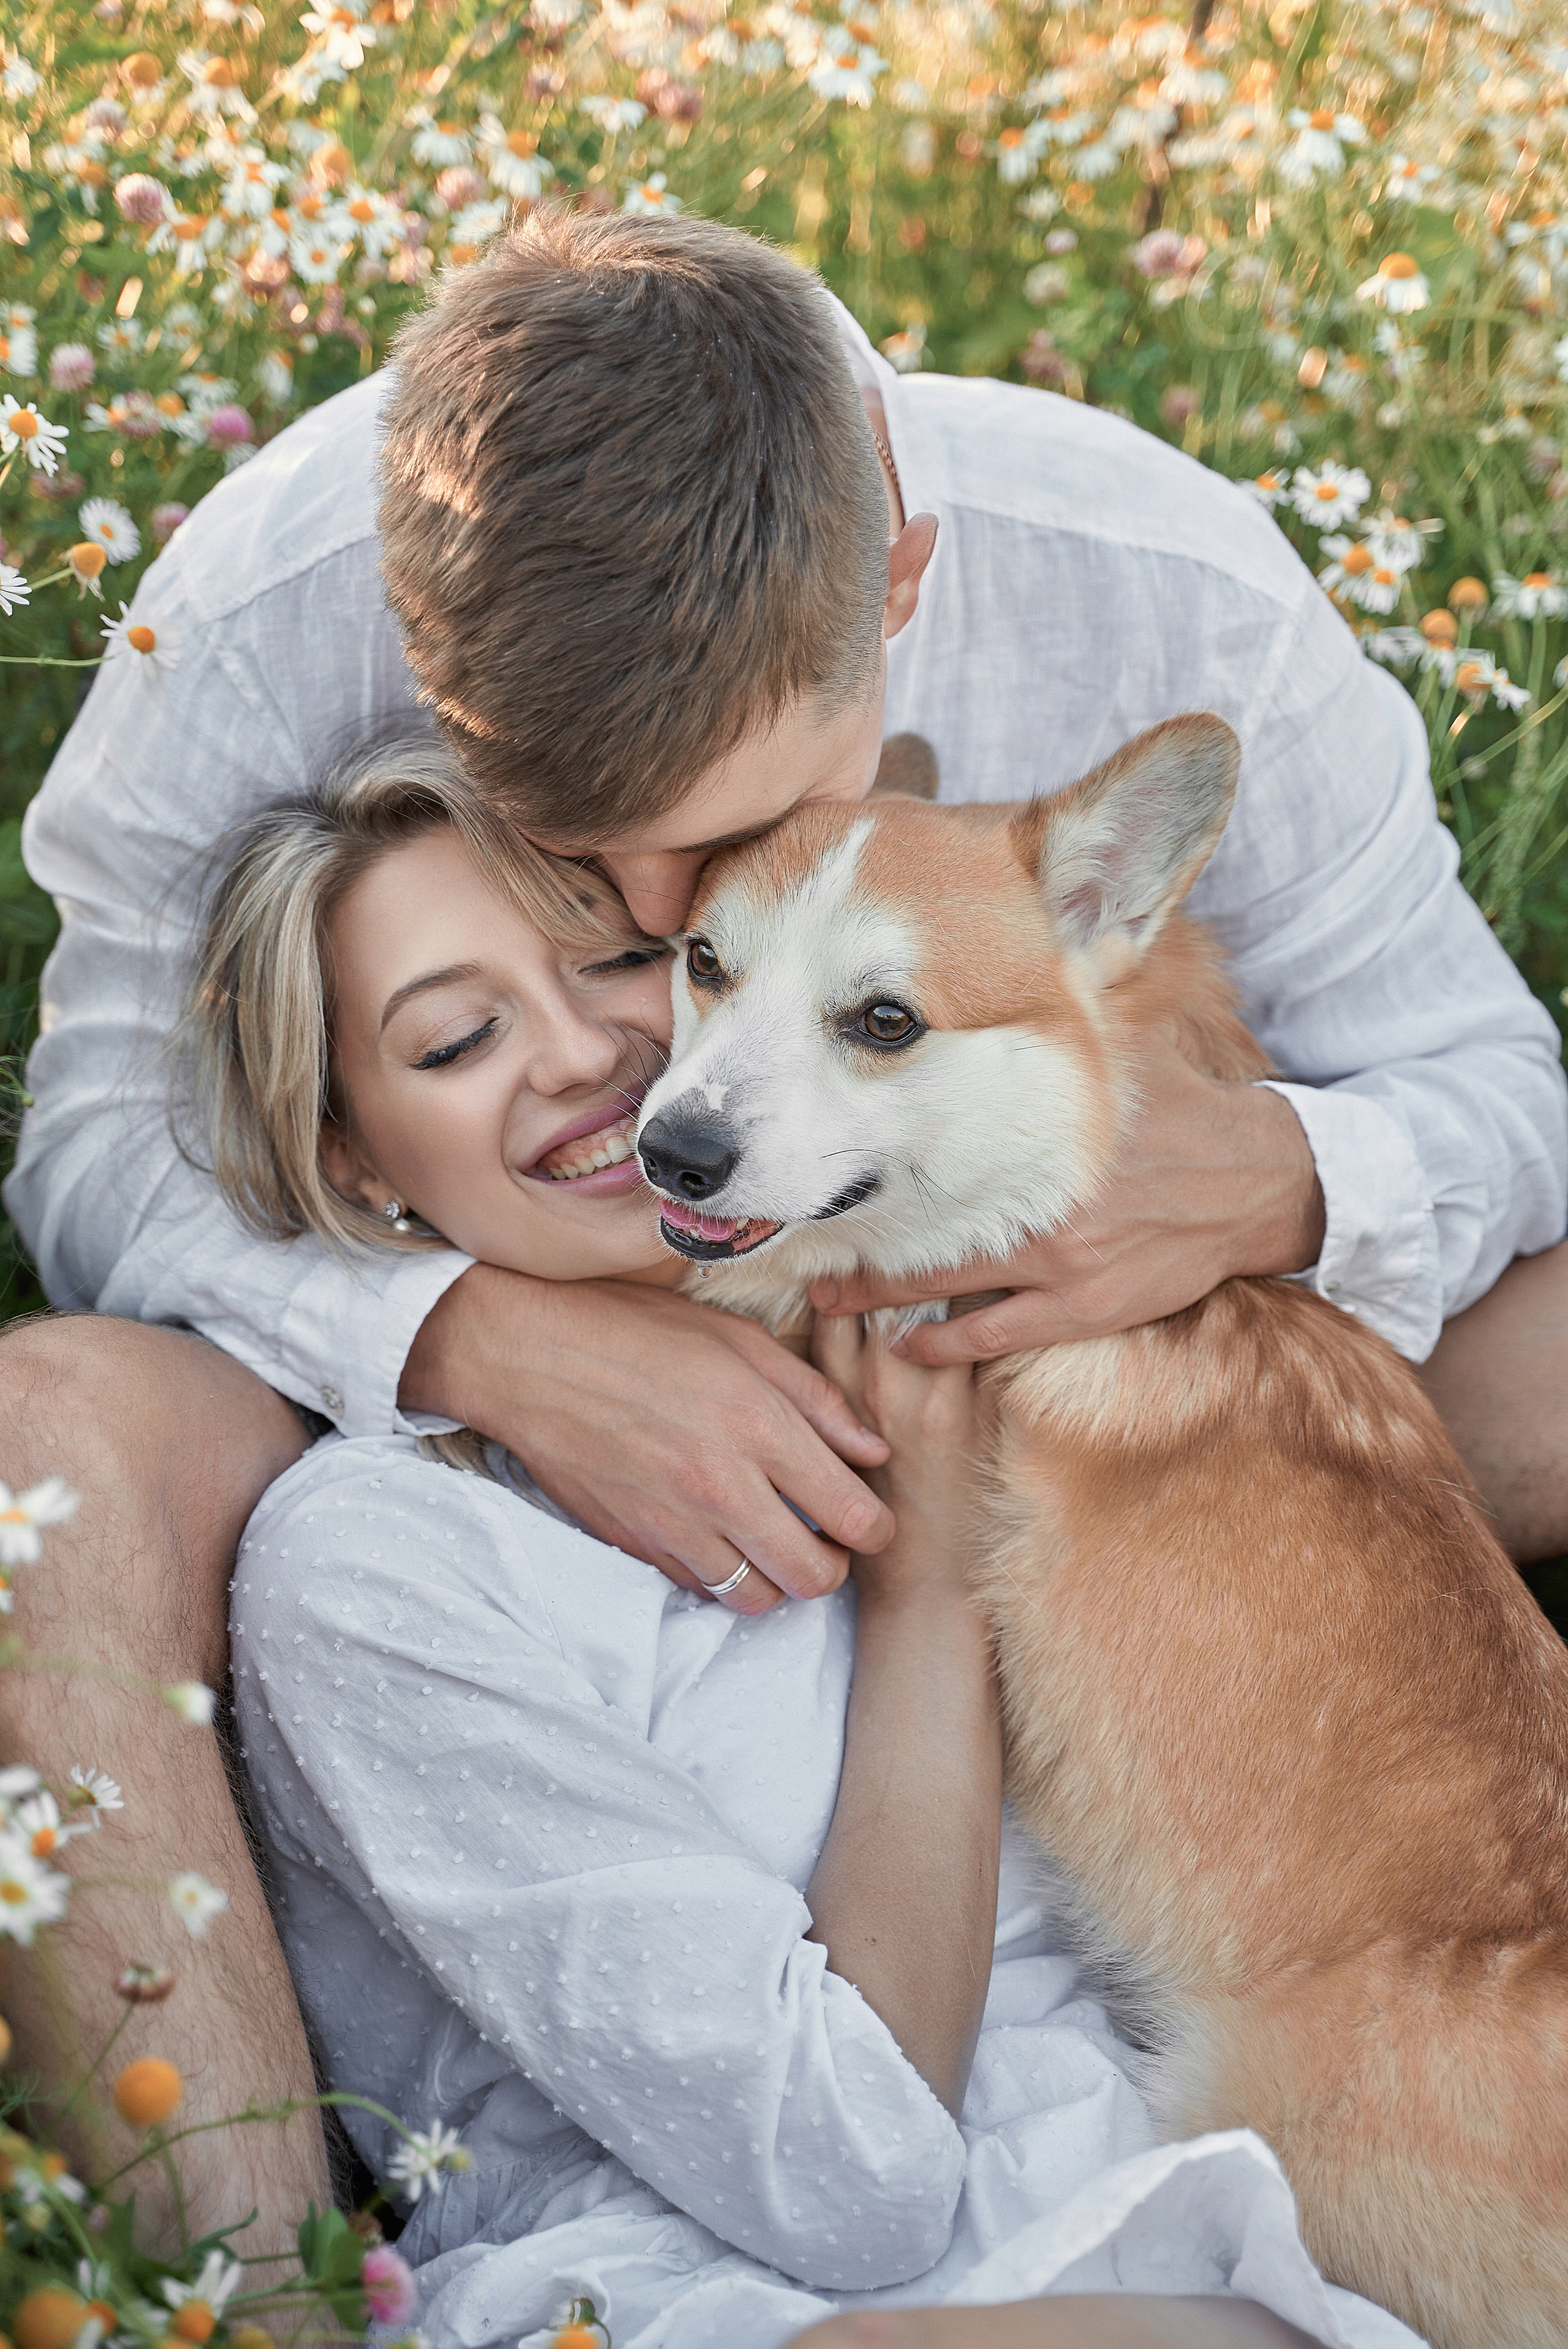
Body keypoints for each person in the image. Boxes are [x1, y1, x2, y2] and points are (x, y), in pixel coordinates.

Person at [2, 208, 1564, 2247]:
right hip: (458, 1312)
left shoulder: (1169, 583)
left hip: (1086, 1333)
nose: (653, 951)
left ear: (901, 578)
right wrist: (466, 1331)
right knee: (32, 1457)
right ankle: (238, 2287)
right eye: (576, 864)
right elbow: (93, 1146)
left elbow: (1497, 1088)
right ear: (411, 634)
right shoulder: (259, 604)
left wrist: (1274, 1177)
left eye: (712, 849)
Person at [198, 738, 1404, 2349]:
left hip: (1181, 2198)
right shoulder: (372, 1561)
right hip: (719, 2293)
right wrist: (923, 1602)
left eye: (640, 962)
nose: (601, 1061)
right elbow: (856, 2181)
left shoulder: (941, 1337)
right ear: (350, 1150)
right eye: (459, 1036)